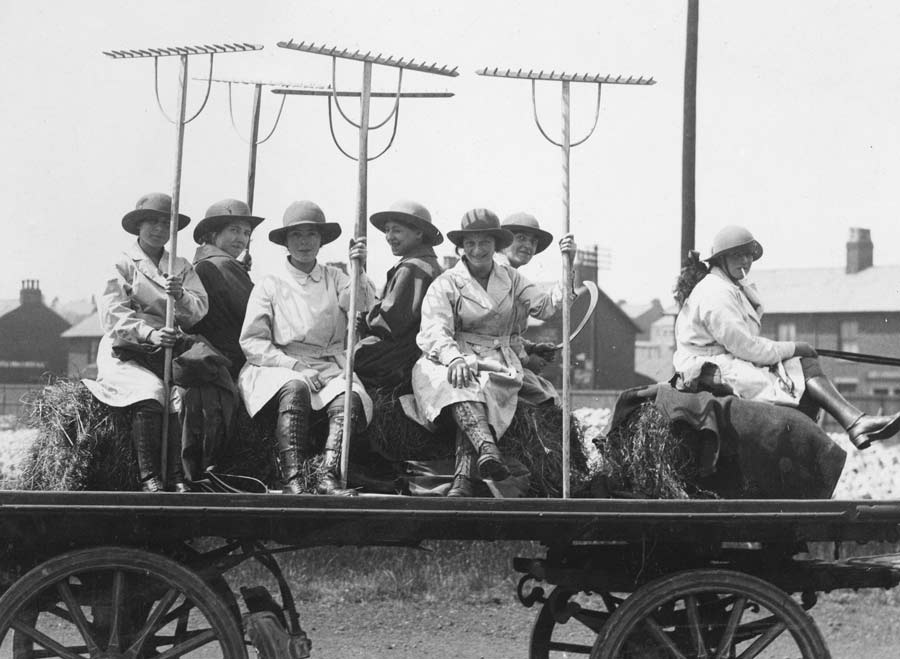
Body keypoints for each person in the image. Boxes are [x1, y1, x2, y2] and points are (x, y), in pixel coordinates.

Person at [673, 224, 900, 450]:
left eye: (749, 255)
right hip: (708, 368)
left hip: (728, 359)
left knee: (801, 368)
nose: (745, 261)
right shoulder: (716, 292)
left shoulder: (731, 287)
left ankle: (856, 423)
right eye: (737, 255)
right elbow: (747, 347)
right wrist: (795, 347)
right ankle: (855, 424)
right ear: (721, 258)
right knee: (795, 385)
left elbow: (745, 345)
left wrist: (795, 351)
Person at [410, 208, 567, 497]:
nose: (477, 250)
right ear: (462, 247)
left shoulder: (512, 279)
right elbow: (434, 329)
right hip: (449, 355)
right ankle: (486, 450)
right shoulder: (447, 283)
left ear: (496, 246)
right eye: (470, 243)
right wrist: (454, 357)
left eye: (484, 243)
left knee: (485, 387)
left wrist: (568, 269)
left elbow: (545, 308)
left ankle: (463, 481)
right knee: (459, 385)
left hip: (495, 360)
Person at [238, 200, 375, 495]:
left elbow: (360, 304)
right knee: (296, 387)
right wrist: (294, 366)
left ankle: (327, 475)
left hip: (329, 361)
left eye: (311, 235)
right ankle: (294, 478)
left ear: (321, 240)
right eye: (296, 235)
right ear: (286, 241)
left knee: (348, 395)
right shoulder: (270, 283)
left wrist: (359, 267)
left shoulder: (336, 277)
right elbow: (252, 341)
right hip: (280, 363)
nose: (304, 242)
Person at [84, 192, 208, 492]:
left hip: (167, 349)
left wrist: (180, 295)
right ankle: (150, 476)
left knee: (180, 399)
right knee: (152, 392)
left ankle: (177, 475)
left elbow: (198, 313)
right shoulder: (123, 264)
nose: (158, 229)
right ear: (138, 226)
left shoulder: (179, 265)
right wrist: (150, 333)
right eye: (151, 222)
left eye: (166, 223)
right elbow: (112, 315)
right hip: (126, 349)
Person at [182, 198, 263, 480]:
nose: (241, 239)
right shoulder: (221, 266)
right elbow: (255, 312)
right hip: (230, 357)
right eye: (233, 231)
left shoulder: (203, 263)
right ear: (212, 234)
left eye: (245, 233)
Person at [354, 200, 444, 391]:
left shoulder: (412, 269)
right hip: (415, 349)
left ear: (419, 233)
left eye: (396, 230)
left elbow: (391, 322)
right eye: (387, 230)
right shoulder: (428, 264)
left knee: (348, 361)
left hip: (404, 354)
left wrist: (366, 319)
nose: (389, 237)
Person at [498, 212, 578, 405]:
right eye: (521, 238)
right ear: (503, 241)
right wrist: (526, 360)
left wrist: (531, 347)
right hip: (486, 362)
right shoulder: (497, 271)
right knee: (547, 403)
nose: (528, 245)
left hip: (503, 358)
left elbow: (506, 333)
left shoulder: (513, 276)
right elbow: (548, 308)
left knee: (547, 393)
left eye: (533, 241)